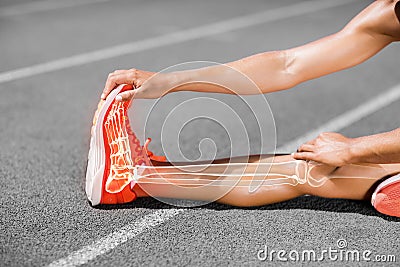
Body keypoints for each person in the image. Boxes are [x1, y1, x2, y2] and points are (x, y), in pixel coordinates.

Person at [86, 0, 400, 217]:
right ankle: (153, 173)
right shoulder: (389, 13)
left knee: (314, 171)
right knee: (302, 158)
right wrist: (168, 81)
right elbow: (287, 66)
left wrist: (355, 149)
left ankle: (134, 183)